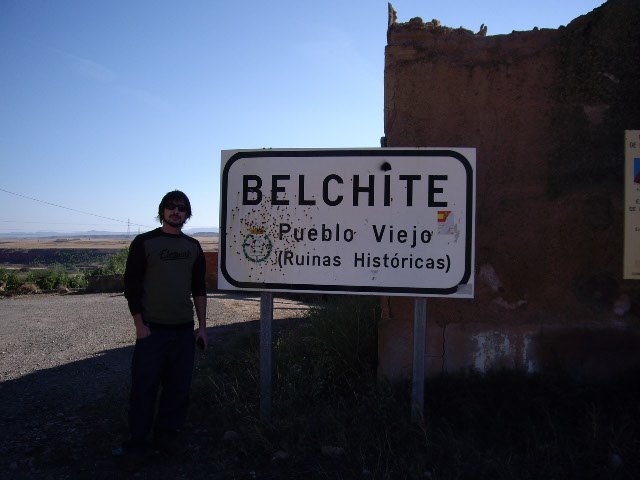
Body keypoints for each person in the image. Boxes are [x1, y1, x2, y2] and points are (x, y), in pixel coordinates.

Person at [118, 189, 207, 457]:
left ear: (187, 214)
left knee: (178, 389)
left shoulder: (193, 247)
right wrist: (139, 325)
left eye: (181, 207)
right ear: (162, 211)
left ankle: (166, 438)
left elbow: (199, 289)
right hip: (152, 331)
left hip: (182, 330)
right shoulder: (145, 243)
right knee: (143, 389)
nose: (176, 211)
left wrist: (202, 327)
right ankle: (137, 444)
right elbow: (131, 286)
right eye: (170, 207)